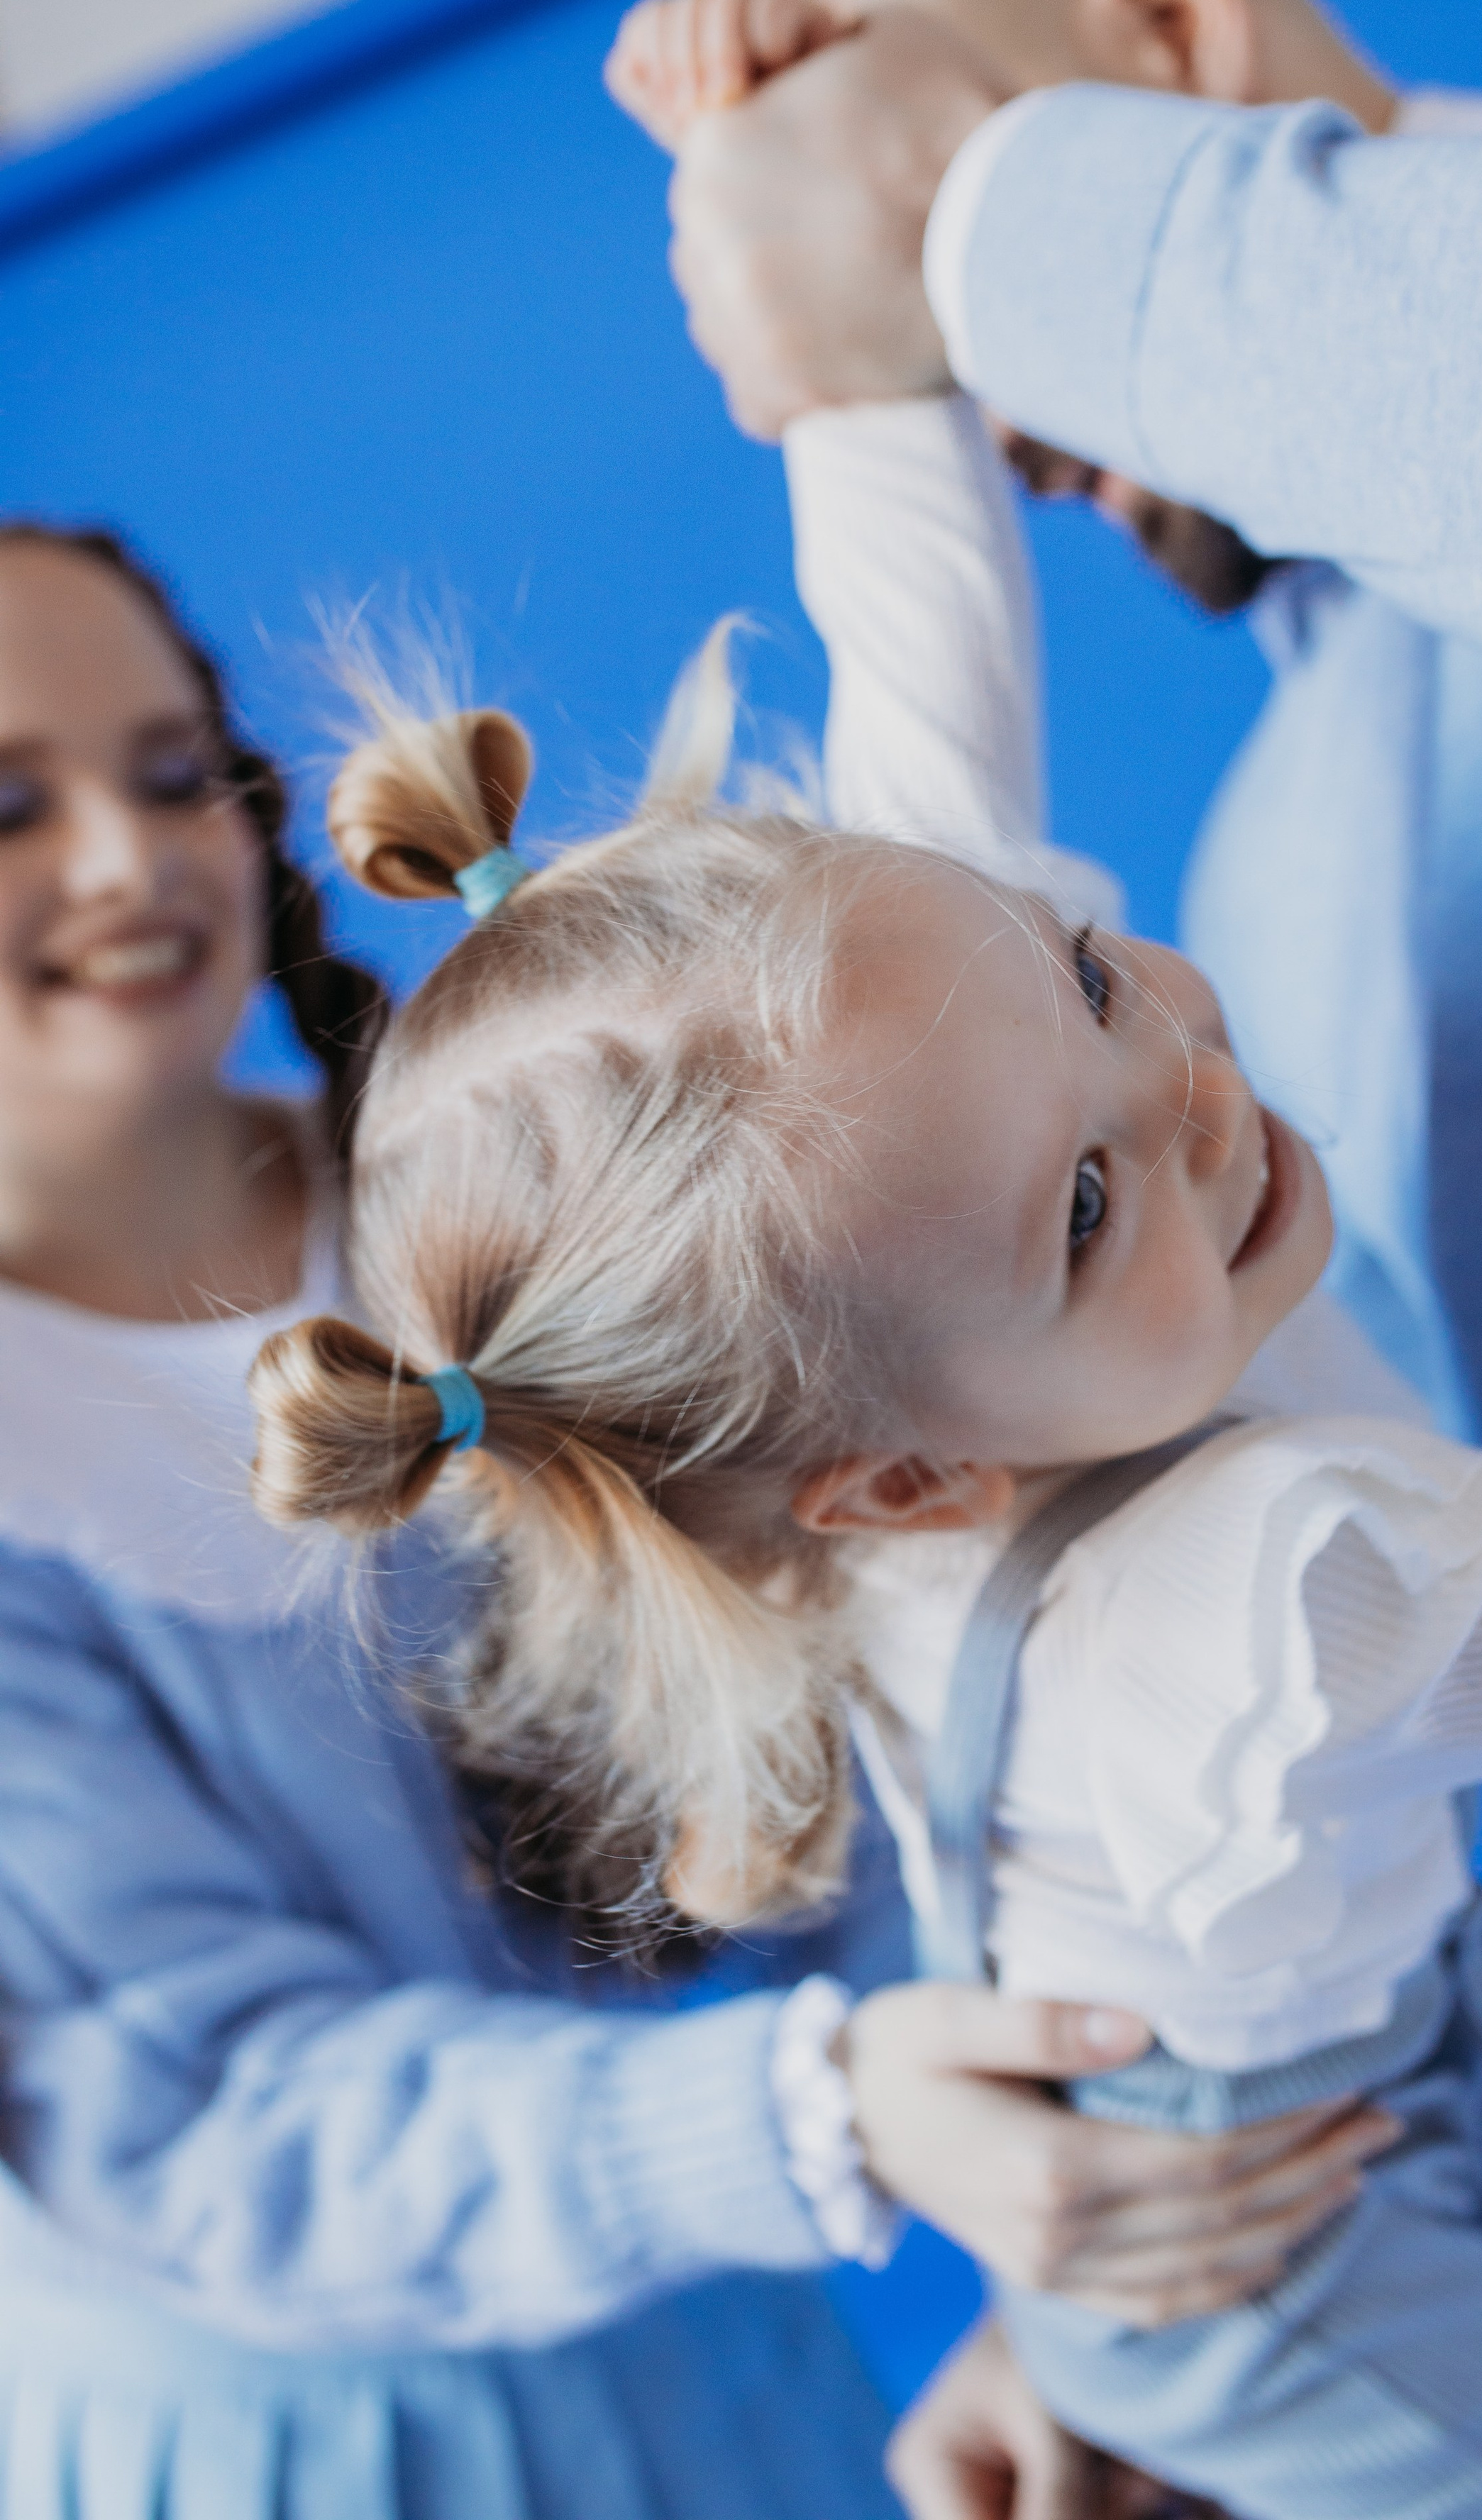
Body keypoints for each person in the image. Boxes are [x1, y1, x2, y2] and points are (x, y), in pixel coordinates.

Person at [246, 523, 1482, 2513]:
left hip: (1221, 2153)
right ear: (907, 1484)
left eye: (1084, 971)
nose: (1183, 1081)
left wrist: (869, 367)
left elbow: (943, 724)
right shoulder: (1247, 1602)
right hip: (1296, 2254)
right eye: (1084, 1202)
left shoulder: (877, 1318)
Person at [0, 524, 1385, 2519]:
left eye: (165, 772)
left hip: (728, 2358)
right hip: (315, 2453)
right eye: (4, 806)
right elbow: (205, 2118)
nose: (128, 865)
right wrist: (827, 2114)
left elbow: (893, 1633)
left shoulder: (508, 1213)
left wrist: (1041, 2218)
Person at [645, 0, 1482, 2096]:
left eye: (964, 348)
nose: (1009, 422)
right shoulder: (1264, 894)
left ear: (1164, 39)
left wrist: (963, 215)